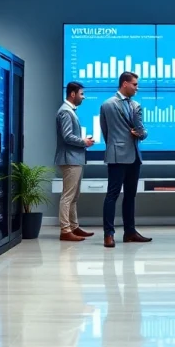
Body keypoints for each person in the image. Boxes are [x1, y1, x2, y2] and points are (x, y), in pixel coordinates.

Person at [100, 72, 151, 248]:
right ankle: (109, 234)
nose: (137, 88)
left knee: (130, 196)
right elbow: (107, 131)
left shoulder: (132, 105)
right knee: (112, 195)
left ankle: (129, 232)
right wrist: (142, 134)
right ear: (124, 84)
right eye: (135, 84)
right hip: (119, 156)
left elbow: (108, 132)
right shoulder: (110, 104)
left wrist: (140, 134)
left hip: (132, 156)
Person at [55, 81, 96, 242]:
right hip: (69, 159)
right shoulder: (65, 112)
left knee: (74, 196)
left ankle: (73, 226)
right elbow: (67, 136)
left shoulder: (69, 111)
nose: (83, 97)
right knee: (68, 196)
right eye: (81, 94)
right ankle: (65, 230)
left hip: (75, 158)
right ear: (72, 94)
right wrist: (83, 141)